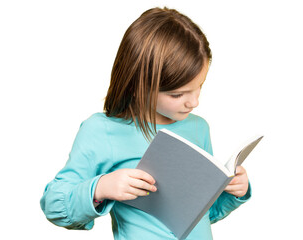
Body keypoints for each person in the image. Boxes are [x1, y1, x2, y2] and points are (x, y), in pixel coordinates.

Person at [40, 7, 251, 240]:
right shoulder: (102, 131)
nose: (194, 102)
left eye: (199, 86)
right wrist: (101, 188)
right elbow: (54, 205)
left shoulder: (198, 128)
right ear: (138, 83)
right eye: (177, 94)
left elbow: (198, 216)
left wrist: (232, 192)